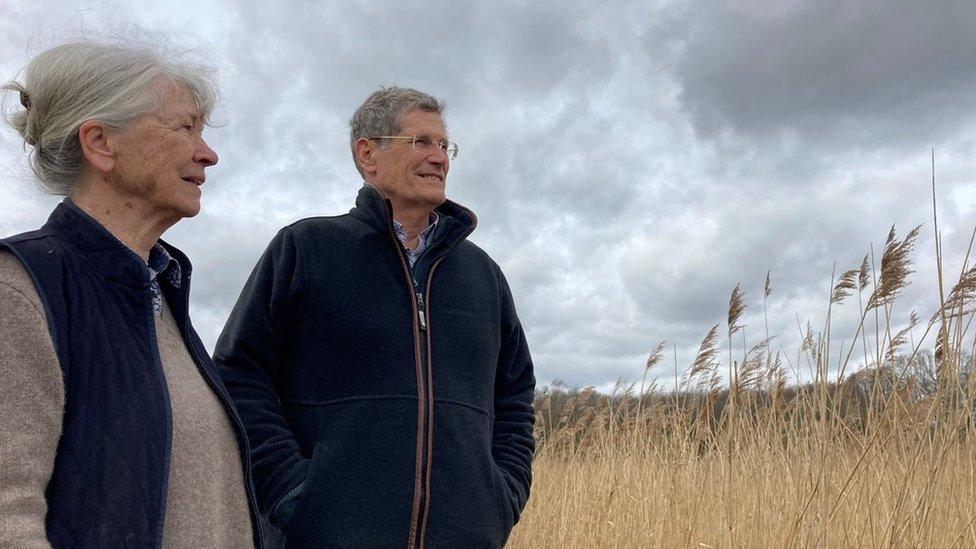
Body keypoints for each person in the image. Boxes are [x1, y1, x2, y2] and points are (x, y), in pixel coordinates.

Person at [216, 87, 536, 547]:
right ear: (368, 153)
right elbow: (240, 373)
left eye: (444, 146)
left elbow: (515, 395)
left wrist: (501, 499)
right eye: (420, 142)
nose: (439, 158)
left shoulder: (483, 275)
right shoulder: (307, 249)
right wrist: (293, 494)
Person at [0, 40, 262, 547]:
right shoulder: (22, 289)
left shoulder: (163, 293)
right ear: (100, 143)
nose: (208, 153)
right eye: (184, 127)